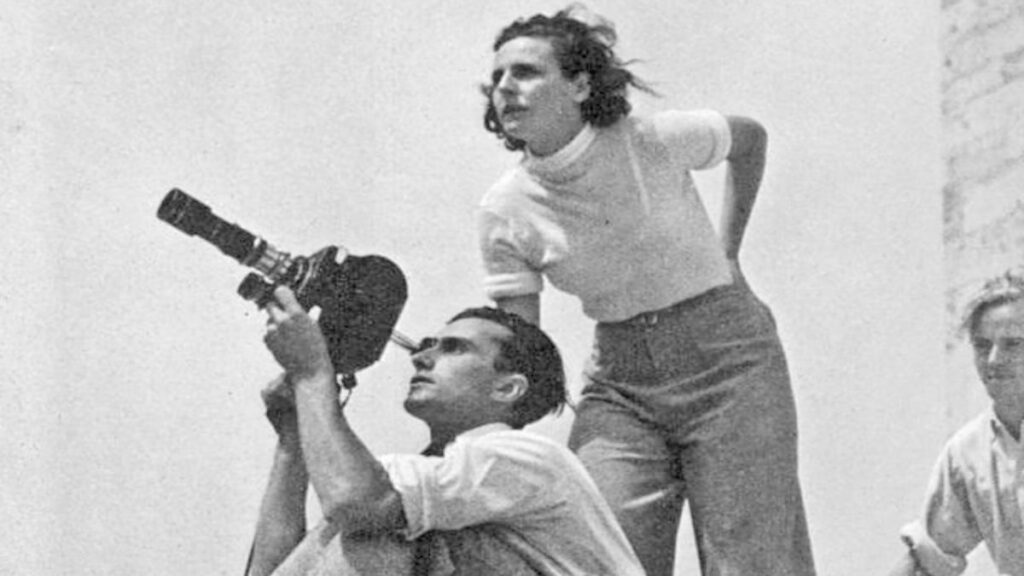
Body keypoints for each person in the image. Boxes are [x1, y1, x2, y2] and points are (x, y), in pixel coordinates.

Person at [476, 5, 816, 575]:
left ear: (580, 84)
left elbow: (749, 139)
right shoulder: (504, 210)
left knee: (751, 562)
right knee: (597, 556)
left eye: (526, 71)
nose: (505, 87)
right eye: (497, 77)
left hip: (730, 362)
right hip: (621, 383)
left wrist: (729, 251)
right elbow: (519, 348)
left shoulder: (652, 138)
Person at [245, 285, 645, 576]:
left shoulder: (529, 458)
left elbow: (356, 502)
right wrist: (291, 443)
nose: (421, 357)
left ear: (508, 388)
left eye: (453, 348)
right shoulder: (432, 481)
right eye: (427, 345)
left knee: (379, 522)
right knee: (375, 516)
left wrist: (313, 373)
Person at [889, 269, 1024, 576]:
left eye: (1013, 344)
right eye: (982, 345)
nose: (993, 360)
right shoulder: (967, 452)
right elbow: (929, 557)